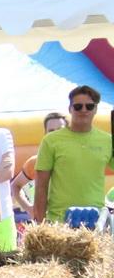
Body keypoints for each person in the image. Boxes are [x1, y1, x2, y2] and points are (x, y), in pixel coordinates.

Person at [34, 86, 114, 224]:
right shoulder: (51, 140)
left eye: (89, 106)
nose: (84, 110)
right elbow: (41, 186)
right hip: (59, 222)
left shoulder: (108, 140)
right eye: (78, 106)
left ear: (95, 109)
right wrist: (40, 225)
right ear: (70, 109)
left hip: (95, 222)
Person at [12, 113, 66, 216]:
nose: (56, 135)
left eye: (60, 130)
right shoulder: (35, 162)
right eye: (51, 131)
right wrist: (29, 208)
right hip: (48, 222)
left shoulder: (79, 160)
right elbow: (15, 186)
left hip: (76, 220)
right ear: (45, 134)